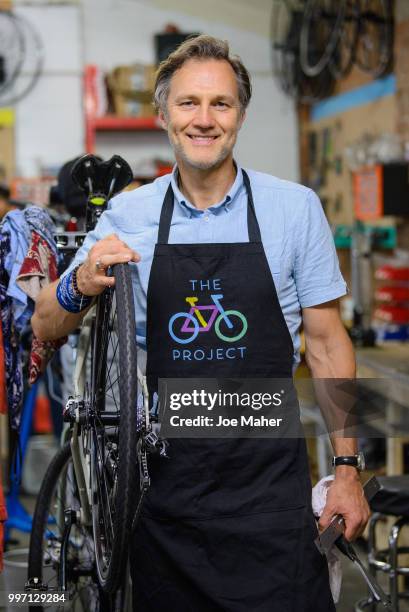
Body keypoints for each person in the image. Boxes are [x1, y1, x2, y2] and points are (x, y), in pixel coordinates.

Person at [32, 35, 370, 611]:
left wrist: (346, 469)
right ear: (164, 114)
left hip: (271, 496)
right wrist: (79, 282)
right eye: (189, 103)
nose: (205, 120)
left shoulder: (293, 208)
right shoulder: (129, 215)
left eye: (221, 104)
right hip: (165, 502)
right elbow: (46, 325)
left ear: (240, 114)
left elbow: (326, 342)